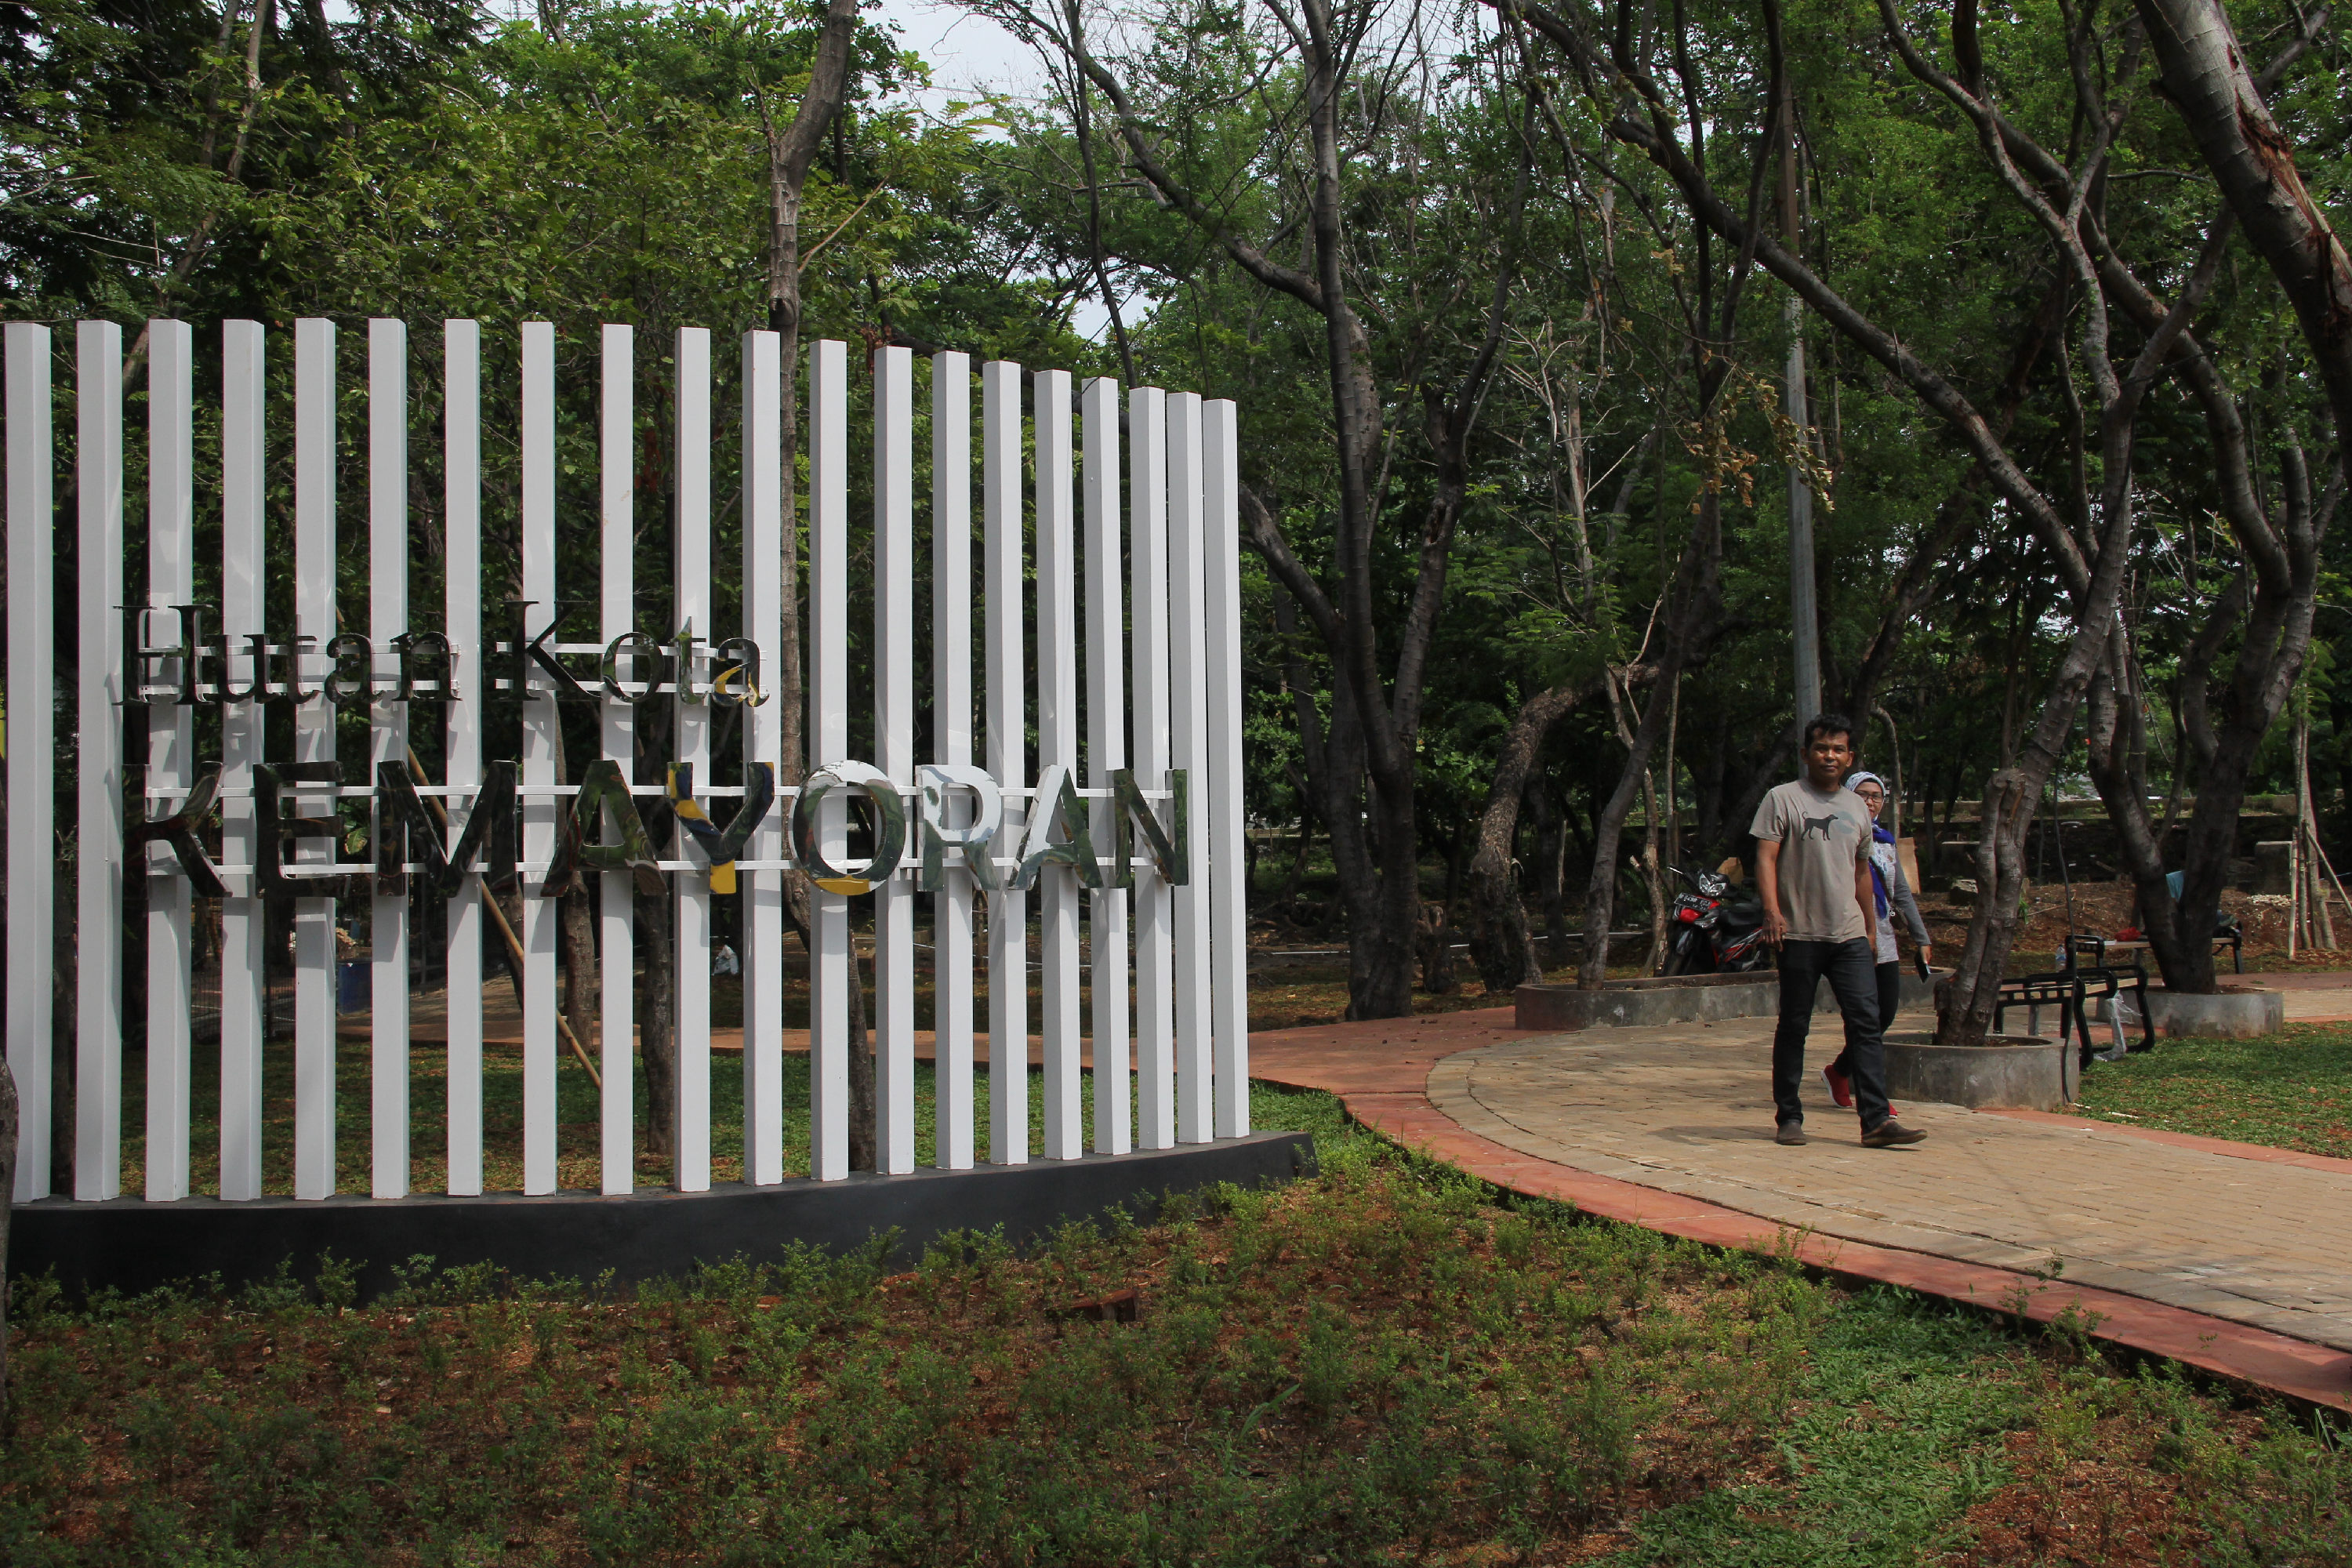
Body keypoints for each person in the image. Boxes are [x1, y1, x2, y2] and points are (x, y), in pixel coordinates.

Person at [1751, 715, 1926, 1149]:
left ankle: (1876, 1121)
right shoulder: (1783, 799)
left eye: (1838, 750)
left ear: (1849, 758)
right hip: (1799, 934)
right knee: (1795, 1025)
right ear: (1806, 753)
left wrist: (1870, 929)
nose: (1829, 755)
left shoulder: (1854, 807)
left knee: (1866, 1024)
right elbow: (1766, 858)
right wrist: (1772, 912)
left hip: (1848, 934)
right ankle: (1789, 1116)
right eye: (1821, 748)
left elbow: (1861, 871)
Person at [1818, 770, 1933, 1111]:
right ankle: (1875, 1100)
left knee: (1885, 1013)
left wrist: (1920, 937)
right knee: (1864, 1018)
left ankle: (1839, 1071)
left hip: (1882, 936)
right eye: (1863, 794)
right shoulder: (1836, 834)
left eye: (1876, 796)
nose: (1870, 801)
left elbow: (1901, 894)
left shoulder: (1886, 841)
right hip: (1848, 935)